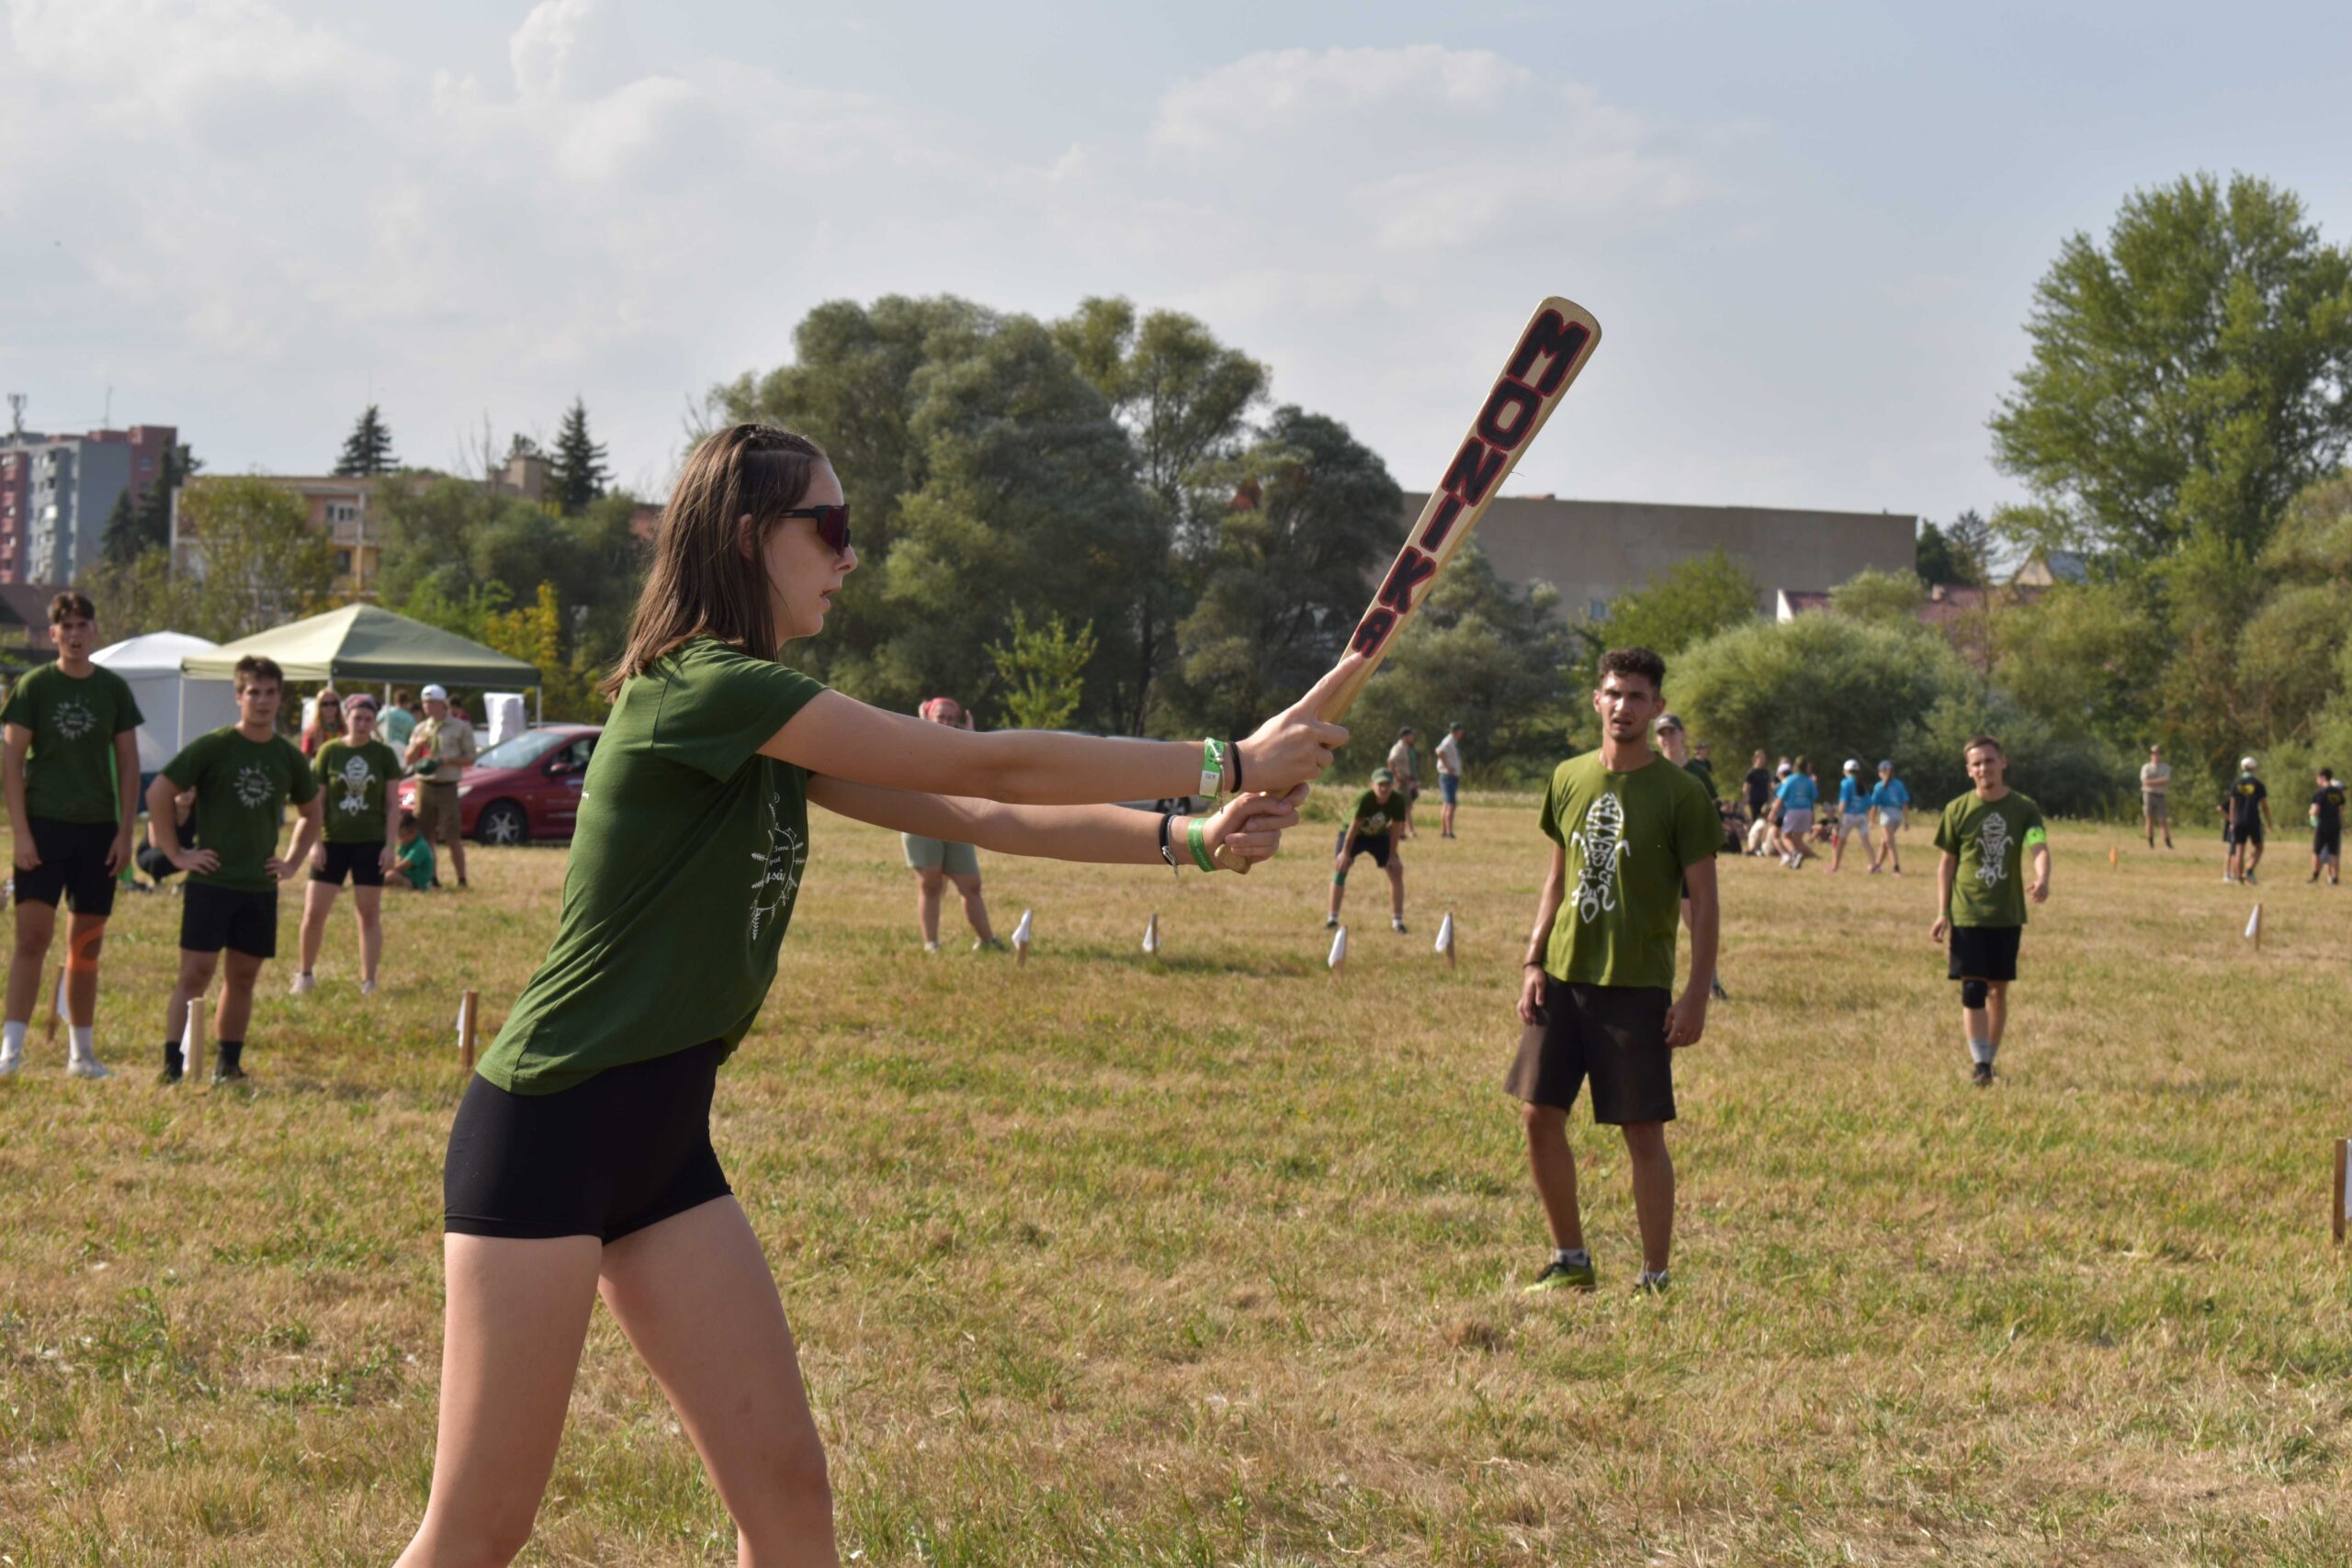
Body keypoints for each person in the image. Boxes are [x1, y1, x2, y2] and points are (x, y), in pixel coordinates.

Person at [391, 423, 1345, 1568]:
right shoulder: (705, 689)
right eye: (830, 529)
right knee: (476, 1536)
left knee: (789, 1507)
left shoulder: (766, 711)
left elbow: (982, 818)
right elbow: (982, 764)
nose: (850, 558)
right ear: (751, 538)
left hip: (660, 1145)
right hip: (549, 1133)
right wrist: (1227, 760)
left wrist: (1191, 840)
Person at [1512, 646, 1717, 1297]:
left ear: (1656, 706)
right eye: (1613, 693)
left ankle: (1655, 1275)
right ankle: (1570, 1259)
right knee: (1538, 1114)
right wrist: (1533, 957)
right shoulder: (1568, 776)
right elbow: (1555, 876)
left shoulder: (1682, 793)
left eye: (1637, 696)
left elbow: (1706, 904)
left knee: (1641, 1130)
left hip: (1635, 983)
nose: (1623, 706)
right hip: (1563, 975)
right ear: (1596, 701)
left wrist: (1694, 998)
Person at [146, 655, 324, 1086]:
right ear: (239, 696)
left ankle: (228, 1063)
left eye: (269, 693)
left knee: (242, 977)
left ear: (280, 697)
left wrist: (293, 861)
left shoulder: (287, 755)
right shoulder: (215, 746)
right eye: (253, 693)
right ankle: (173, 1065)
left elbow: (312, 812)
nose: (262, 701)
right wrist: (177, 854)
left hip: (258, 886)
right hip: (211, 881)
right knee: (195, 975)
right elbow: (158, 793)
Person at [0, 591, 144, 1080]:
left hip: (99, 829)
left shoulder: (113, 690)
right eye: (68, 626)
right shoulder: (34, 686)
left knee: (86, 944)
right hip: (42, 827)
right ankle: (10, 1050)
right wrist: (20, 833)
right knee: (32, 939)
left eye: (85, 625)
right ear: (54, 633)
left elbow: (129, 763)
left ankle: (81, 1055)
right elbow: (12, 759)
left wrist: (126, 832)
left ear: (94, 631)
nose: (77, 634)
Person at [1931, 735, 2049, 1086]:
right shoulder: (1957, 810)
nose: (1984, 768)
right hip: (1968, 912)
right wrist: (1942, 912)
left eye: (1989, 760)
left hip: (2006, 912)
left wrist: (2042, 877)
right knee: (1973, 988)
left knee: (1998, 989)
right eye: (1977, 763)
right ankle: (1981, 1065)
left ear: (2003, 762)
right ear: (1969, 771)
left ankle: (1990, 1059)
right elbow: (1946, 864)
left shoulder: (2023, 808)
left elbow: (2037, 845)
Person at [294, 694, 402, 995]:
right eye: (357, 718)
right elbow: (317, 801)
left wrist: (390, 845)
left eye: (369, 719)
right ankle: (305, 974)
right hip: (332, 841)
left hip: (370, 841)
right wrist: (315, 843)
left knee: (368, 913)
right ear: (347, 718)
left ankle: (369, 980)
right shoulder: (329, 751)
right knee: (314, 912)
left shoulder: (384, 755)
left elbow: (394, 803)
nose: (363, 724)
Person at [899, 696, 1001, 953]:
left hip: (956, 822)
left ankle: (988, 941)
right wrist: (922, 728)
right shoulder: (914, 740)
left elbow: (979, 772)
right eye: (939, 717)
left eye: (949, 718)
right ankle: (931, 944)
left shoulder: (961, 745)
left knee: (971, 885)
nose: (944, 722)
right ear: (928, 718)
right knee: (931, 884)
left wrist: (971, 737)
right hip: (921, 821)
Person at [1652, 713, 1730, 1002]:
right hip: (1656, 858)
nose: (1667, 738)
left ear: (1683, 735)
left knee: (1696, 921)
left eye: (1671, 732)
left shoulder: (1698, 774)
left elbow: (1712, 815)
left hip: (1688, 858)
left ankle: (1711, 982)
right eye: (1661, 733)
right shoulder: (1650, 770)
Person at [405, 683, 478, 890]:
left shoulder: (459, 727)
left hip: (447, 786)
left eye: (431, 703)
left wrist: (450, 760)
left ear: (442, 704)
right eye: (425, 703)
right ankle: (432, 877)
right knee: (425, 834)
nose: (427, 707)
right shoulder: (421, 728)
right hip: (424, 784)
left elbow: (471, 758)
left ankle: (462, 879)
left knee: (452, 836)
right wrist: (417, 746)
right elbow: (408, 759)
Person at [1327, 768, 1410, 933]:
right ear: (1372, 785)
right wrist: (1345, 853)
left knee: (1396, 870)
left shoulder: (1397, 801)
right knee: (1342, 867)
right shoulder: (1365, 798)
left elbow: (1395, 829)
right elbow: (1353, 827)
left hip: (1378, 835)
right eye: (1380, 784)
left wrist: (1392, 856)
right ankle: (1332, 919)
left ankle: (1397, 922)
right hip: (1354, 834)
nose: (1384, 788)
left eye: (1388, 784)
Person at [2222, 757, 2269, 885]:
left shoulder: (2236, 784)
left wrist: (2232, 822)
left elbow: (2232, 805)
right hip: (2253, 819)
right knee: (2259, 847)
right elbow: (2264, 806)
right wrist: (2269, 822)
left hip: (2238, 820)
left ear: (2242, 768)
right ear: (2254, 769)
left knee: (2239, 849)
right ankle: (2248, 870)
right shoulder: (2258, 785)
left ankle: (2239, 877)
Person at [1774, 755, 1818, 868]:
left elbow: (1781, 798)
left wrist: (1773, 812)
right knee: (1798, 839)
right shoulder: (1809, 781)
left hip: (1793, 810)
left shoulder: (1790, 780)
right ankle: (1796, 862)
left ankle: (1796, 854)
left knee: (1785, 836)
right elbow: (1813, 797)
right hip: (1806, 811)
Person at [1868, 760, 1911, 874]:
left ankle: (1896, 868)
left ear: (1880, 772)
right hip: (1897, 816)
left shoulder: (1879, 786)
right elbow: (1905, 804)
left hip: (1887, 816)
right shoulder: (1899, 784)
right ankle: (1876, 866)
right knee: (1884, 842)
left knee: (1889, 842)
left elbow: (1874, 806)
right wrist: (1906, 820)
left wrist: (1871, 821)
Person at [1830, 759, 1871, 873]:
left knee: (1840, 841)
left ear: (1846, 771)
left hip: (1849, 816)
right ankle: (1874, 864)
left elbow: (1843, 802)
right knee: (1866, 842)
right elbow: (1869, 803)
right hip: (1862, 816)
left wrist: (1838, 817)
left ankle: (1835, 866)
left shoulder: (1845, 783)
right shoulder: (1862, 784)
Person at [2310, 767, 2344, 886]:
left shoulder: (2321, 792)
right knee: (2333, 852)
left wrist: (2311, 813)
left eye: (2318, 778)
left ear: (2323, 777)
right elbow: (2341, 809)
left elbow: (2316, 810)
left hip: (2323, 825)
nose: (2317, 780)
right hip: (2335, 825)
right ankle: (2335, 879)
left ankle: (2315, 876)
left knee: (2316, 851)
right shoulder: (2338, 792)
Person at [1386, 726, 1420, 839]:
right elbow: (1390, 761)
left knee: (1407, 806)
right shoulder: (1399, 747)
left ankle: (1401, 831)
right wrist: (1395, 776)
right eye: (1411, 735)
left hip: (1405, 780)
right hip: (1400, 781)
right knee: (1402, 806)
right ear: (1404, 736)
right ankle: (1398, 832)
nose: (1413, 737)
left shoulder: (1406, 748)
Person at [1435, 720, 1466, 839]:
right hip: (1448, 776)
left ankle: (1445, 831)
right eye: (1460, 731)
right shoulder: (1448, 741)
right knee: (1451, 804)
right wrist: (1448, 767)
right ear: (1456, 731)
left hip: (1450, 776)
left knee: (1447, 804)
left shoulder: (1452, 742)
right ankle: (1449, 831)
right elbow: (1439, 751)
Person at [2140, 743, 2173, 850]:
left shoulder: (2165, 767)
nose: (2155, 755)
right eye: (2153, 753)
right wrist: (2159, 781)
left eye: (2157, 753)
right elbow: (2145, 782)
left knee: (2162, 820)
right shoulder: (2146, 767)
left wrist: (2152, 782)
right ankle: (2150, 842)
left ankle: (2167, 842)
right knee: (2149, 819)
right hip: (2149, 795)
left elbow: (2166, 780)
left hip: (2160, 795)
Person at [300, 687, 345, 760]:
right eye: (325, 704)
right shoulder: (312, 732)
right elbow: (304, 761)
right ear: (319, 707)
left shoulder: (346, 729)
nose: (329, 707)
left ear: (338, 705)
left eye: (334, 703)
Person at [381, 689, 419, 760]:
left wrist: (380, 738)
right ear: (406, 702)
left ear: (395, 700)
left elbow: (374, 724)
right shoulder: (409, 717)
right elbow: (413, 735)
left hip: (386, 746)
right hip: (402, 748)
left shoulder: (385, 712)